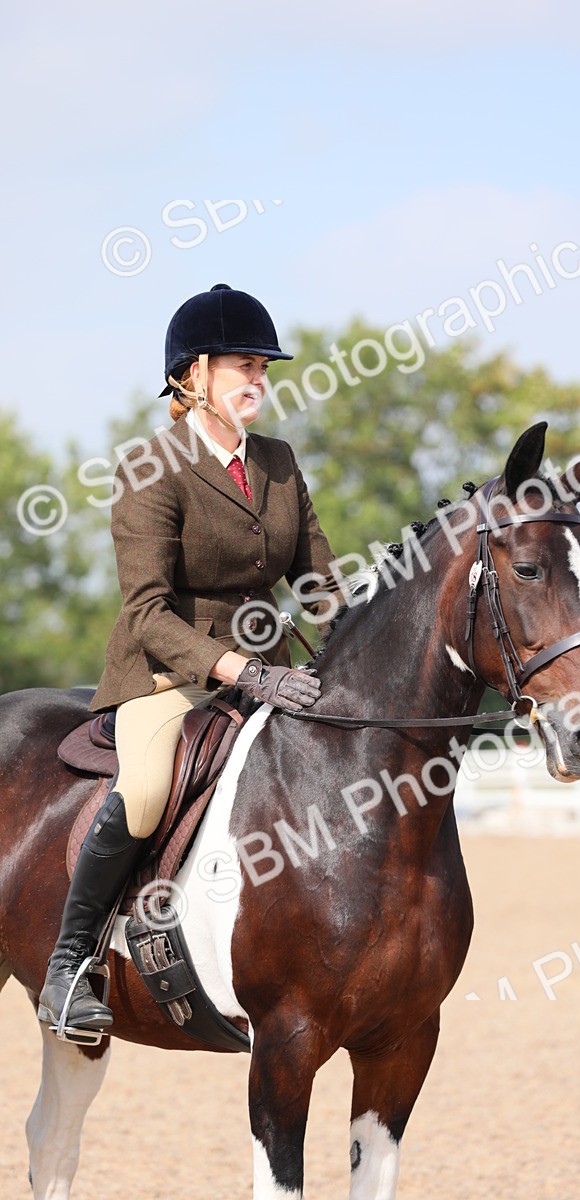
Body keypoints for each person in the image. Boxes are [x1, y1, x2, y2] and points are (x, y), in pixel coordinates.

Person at [39, 284, 341, 1036]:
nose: (259, 382)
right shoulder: (150, 467)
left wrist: (357, 639)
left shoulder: (276, 461)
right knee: (144, 790)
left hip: (271, 667)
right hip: (167, 676)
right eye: (245, 366)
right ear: (194, 375)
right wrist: (244, 672)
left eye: (263, 369)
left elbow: (317, 579)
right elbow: (146, 613)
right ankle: (70, 963)